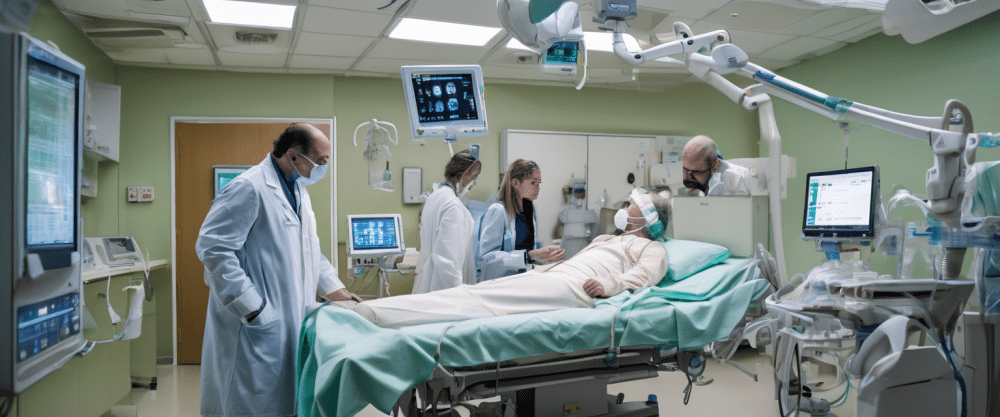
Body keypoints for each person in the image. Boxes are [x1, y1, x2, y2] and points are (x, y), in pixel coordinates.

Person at [196, 123, 361, 417]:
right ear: (293, 155)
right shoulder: (249, 187)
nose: (324, 167)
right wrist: (252, 308)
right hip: (254, 321)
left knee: (282, 400)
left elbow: (309, 249)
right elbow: (213, 248)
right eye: (321, 160)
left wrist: (335, 289)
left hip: (287, 318)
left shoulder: (297, 190)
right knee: (249, 402)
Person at [339, 190, 670, 328]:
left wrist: (608, 285)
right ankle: (374, 311)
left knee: (480, 305)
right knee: (471, 293)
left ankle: (375, 316)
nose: (624, 208)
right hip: (550, 277)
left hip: (576, 288)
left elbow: (642, 277)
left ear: (648, 219)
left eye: (631, 205)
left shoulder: (652, 248)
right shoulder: (608, 239)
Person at [477, 159, 564, 282]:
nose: (538, 188)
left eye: (539, 183)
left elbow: (529, 251)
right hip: (499, 281)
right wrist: (527, 256)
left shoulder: (530, 210)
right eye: (533, 183)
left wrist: (545, 256)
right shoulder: (497, 211)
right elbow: (487, 258)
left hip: (522, 279)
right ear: (515, 183)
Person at [411, 150, 482, 294]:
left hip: (427, 282)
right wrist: (457, 293)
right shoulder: (453, 206)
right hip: (444, 288)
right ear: (464, 176)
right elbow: (449, 260)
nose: (473, 183)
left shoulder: (435, 196)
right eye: (473, 177)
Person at [682, 135, 751, 196]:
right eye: (686, 170)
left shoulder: (738, 179)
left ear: (714, 166)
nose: (689, 177)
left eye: (696, 172)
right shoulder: (700, 179)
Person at [554, 180, 599, 259]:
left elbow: (595, 226)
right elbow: (556, 233)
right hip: (568, 242)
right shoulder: (565, 211)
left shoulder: (588, 212)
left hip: (581, 243)